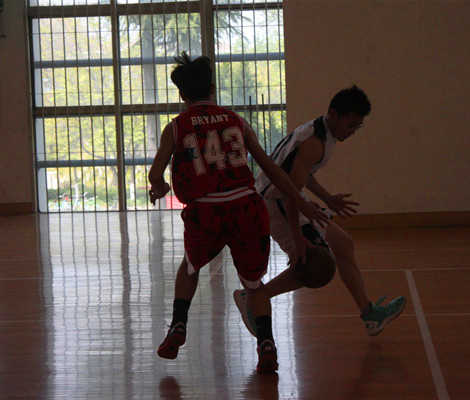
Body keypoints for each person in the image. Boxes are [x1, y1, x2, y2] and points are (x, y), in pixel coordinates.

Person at [148, 52, 329, 373]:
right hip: (246, 206)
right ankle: (266, 344)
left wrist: (159, 187)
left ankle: (178, 324)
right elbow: (270, 168)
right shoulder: (235, 121)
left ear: (182, 94)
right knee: (253, 284)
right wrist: (301, 202)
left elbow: (155, 174)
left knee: (190, 268)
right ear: (213, 88)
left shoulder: (175, 128)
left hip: (205, 210)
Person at [233, 85, 407, 337]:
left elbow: (302, 174)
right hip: (276, 201)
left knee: (343, 244)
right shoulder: (314, 142)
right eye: (350, 125)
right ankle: (253, 298)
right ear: (333, 115)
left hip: (288, 196)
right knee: (313, 265)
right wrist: (298, 238)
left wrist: (327, 198)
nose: (352, 131)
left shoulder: (321, 130)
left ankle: (370, 315)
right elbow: (291, 193)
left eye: (358, 127)